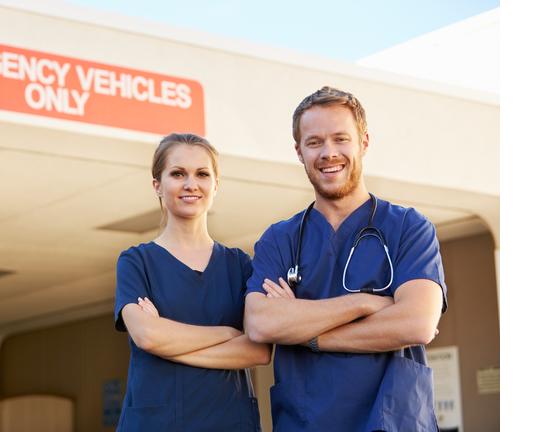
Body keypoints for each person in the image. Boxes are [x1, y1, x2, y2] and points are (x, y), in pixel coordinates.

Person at [244, 87, 448, 432]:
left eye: (341, 139)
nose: (328, 153)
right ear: (299, 151)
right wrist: (367, 303)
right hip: (305, 422)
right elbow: (261, 324)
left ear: (363, 143)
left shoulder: (408, 228)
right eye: (314, 142)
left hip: (392, 420)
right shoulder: (279, 240)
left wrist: (307, 335)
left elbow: (416, 324)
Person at [114, 133, 272, 432]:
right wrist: (228, 333)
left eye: (202, 173)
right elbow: (147, 337)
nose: (191, 184)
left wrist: (168, 341)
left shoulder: (240, 265)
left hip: (229, 421)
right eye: (177, 174)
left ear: (215, 185)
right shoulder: (136, 262)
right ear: (157, 186)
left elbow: (258, 351)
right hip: (156, 423)